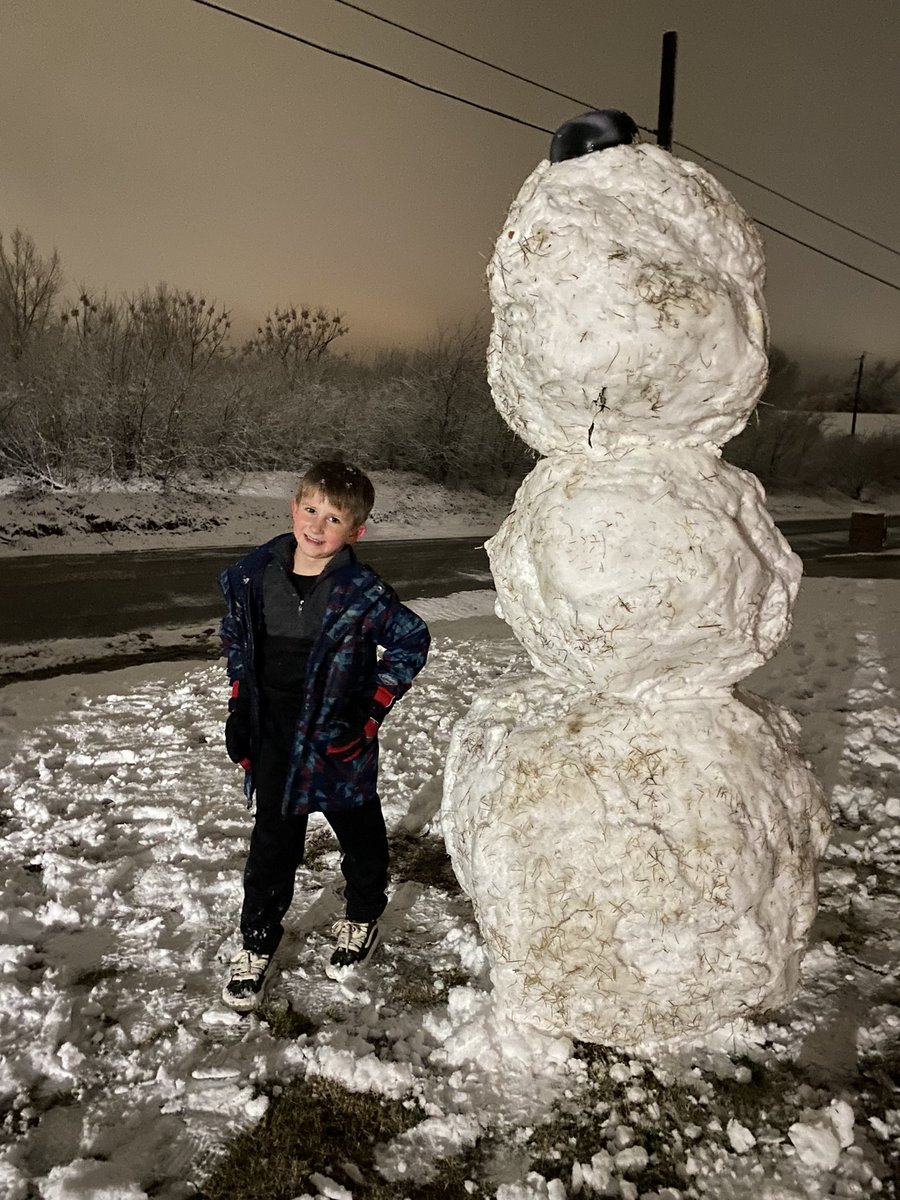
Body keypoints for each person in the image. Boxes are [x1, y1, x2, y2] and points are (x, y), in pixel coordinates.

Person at [217, 460, 430, 1012]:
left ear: (355, 531)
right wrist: (240, 700)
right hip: (275, 736)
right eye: (310, 509)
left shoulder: (361, 591)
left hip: (337, 739)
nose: (316, 525)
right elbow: (236, 637)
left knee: (358, 834)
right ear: (294, 506)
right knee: (272, 845)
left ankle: (362, 916)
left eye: (333, 518)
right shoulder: (254, 575)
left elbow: (411, 640)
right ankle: (256, 941)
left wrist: (369, 711)